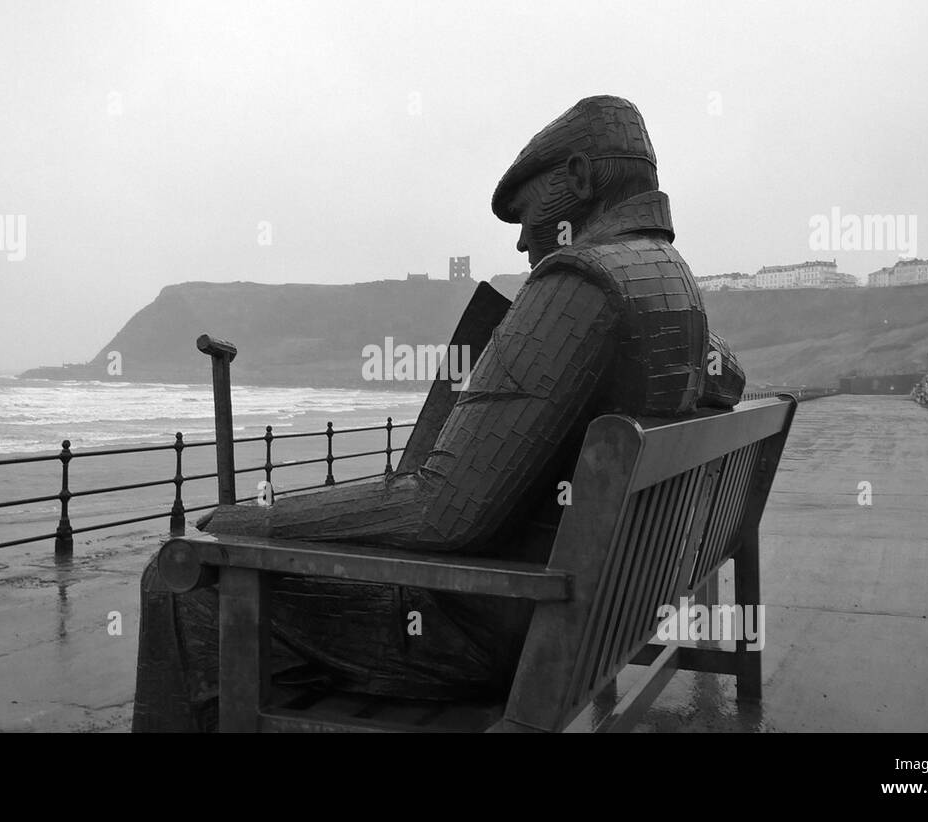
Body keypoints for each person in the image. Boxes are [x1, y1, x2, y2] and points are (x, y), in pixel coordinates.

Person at [132, 95, 746, 731]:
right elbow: (730, 375)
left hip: (497, 631)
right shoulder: (668, 276)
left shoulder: (579, 281)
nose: (520, 235)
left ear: (581, 178)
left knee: (183, 580)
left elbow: (442, 512)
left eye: (527, 209)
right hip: (608, 606)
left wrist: (249, 521)